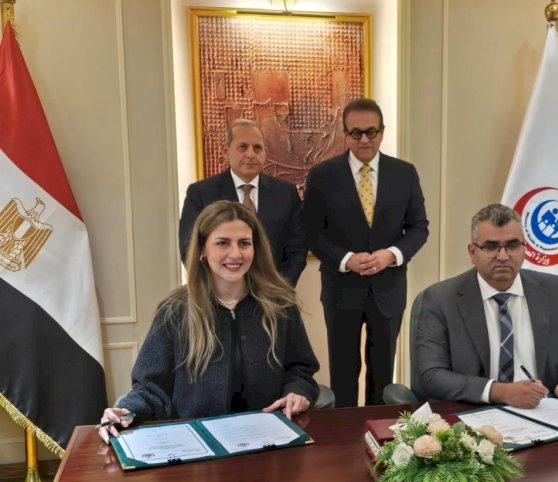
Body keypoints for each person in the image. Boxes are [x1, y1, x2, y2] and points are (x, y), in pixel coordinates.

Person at [99, 201, 319, 442]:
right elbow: (150, 387)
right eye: (223, 243)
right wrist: (126, 410)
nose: (236, 254)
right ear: (203, 249)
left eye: (244, 243)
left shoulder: (281, 304)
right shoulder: (174, 310)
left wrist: (298, 392)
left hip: (271, 440)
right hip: (198, 444)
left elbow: (300, 369)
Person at [303, 98, 429, 407]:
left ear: (382, 132)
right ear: (344, 134)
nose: (364, 139)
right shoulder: (322, 175)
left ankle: (380, 431)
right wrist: (346, 260)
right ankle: (345, 432)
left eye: (371, 132)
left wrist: (391, 255)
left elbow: (419, 228)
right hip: (341, 289)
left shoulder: (404, 173)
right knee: (344, 371)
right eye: (356, 132)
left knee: (382, 375)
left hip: (388, 290)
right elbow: (311, 232)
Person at [416, 203, 558, 409]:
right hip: (473, 413)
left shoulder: (553, 289)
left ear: (524, 249)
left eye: (513, 245)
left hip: (541, 410)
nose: (503, 256)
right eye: (491, 247)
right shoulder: (440, 299)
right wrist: (500, 392)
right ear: (472, 252)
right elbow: (431, 375)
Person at [179, 119, 307, 286]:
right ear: (226, 151)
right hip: (219, 291)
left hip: (272, 292)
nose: (250, 154)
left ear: (265, 153)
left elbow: (298, 248)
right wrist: (215, 288)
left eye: (257, 148)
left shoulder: (285, 193)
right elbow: (189, 247)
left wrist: (279, 288)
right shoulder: (201, 193)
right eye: (242, 147)